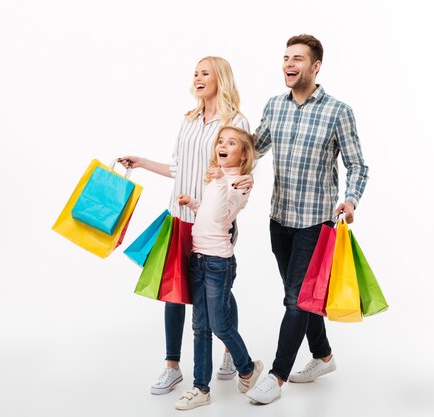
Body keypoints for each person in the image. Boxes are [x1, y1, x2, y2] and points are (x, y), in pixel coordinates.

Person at [245, 34, 369, 405]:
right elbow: (254, 148)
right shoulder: (274, 106)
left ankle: (276, 376)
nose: (289, 64)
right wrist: (225, 146)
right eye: (285, 57)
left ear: (315, 67)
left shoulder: (337, 111)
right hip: (279, 218)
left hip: (317, 221)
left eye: (297, 58)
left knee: (296, 300)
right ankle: (324, 356)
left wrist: (351, 199)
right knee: (301, 297)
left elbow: (358, 164)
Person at [119, 56, 252, 395]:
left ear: (220, 79)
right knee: (173, 291)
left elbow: (243, 167)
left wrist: (242, 191)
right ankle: (172, 366)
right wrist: (143, 163)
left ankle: (227, 352)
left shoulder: (235, 121)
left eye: (204, 73)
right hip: (180, 218)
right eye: (195, 73)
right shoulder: (189, 120)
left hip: (212, 222)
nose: (197, 78)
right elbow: (178, 168)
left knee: (219, 292)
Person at [174, 126, 263, 410]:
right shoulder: (218, 179)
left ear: (244, 154)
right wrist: (194, 204)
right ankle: (201, 388)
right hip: (198, 259)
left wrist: (221, 182)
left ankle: (247, 368)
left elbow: (227, 212)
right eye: (221, 141)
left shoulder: (240, 183)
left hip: (218, 263)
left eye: (232, 142)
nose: (223, 145)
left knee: (220, 325)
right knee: (200, 327)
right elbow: (212, 213)